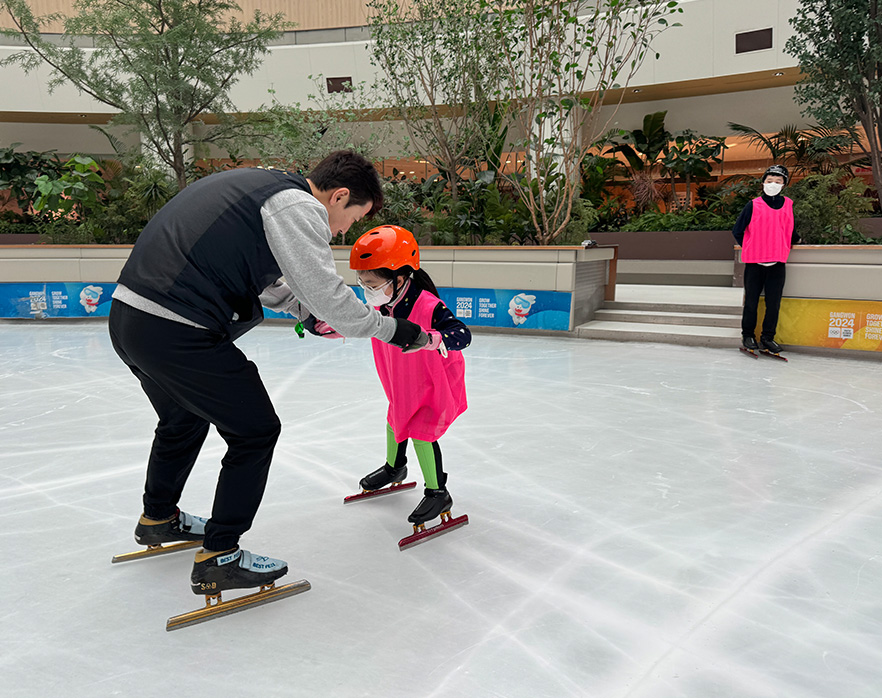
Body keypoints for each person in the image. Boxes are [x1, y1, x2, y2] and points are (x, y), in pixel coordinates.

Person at [108, 151, 428, 597]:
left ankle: (158, 518)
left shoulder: (264, 187)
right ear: (339, 196)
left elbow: (265, 279)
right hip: (178, 327)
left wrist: (307, 313)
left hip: (131, 319)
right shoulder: (299, 206)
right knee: (255, 431)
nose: (344, 231)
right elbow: (329, 295)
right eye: (353, 218)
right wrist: (398, 331)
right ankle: (220, 556)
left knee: (183, 418)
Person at [309, 225, 470, 526]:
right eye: (362, 282)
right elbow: (356, 324)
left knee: (421, 431)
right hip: (403, 378)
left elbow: (462, 334)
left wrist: (429, 339)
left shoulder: (428, 305)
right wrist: (324, 327)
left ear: (399, 278)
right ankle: (395, 467)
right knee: (396, 417)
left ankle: (438, 492)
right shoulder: (382, 304)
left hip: (433, 379)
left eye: (371, 283)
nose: (366, 290)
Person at [732, 164, 800, 355]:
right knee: (751, 302)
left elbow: (789, 229)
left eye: (778, 181)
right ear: (763, 182)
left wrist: (795, 240)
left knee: (773, 303)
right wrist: (750, 246)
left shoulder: (788, 204)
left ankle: (768, 337)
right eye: (769, 180)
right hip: (755, 262)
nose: (773, 184)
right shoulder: (753, 205)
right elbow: (737, 230)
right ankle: (748, 335)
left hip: (777, 261)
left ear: (783, 185)